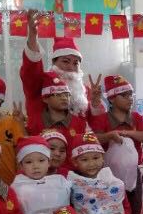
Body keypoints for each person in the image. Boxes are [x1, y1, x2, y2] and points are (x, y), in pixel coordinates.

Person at [88, 74, 143, 214]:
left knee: (136, 206)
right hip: (108, 172)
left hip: (134, 171)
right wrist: (109, 135)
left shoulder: (136, 117)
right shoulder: (103, 118)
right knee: (112, 206)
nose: (130, 98)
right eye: (124, 95)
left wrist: (127, 133)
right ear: (111, 99)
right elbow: (94, 139)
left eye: (131, 94)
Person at [21, 9, 91, 138]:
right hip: (42, 146)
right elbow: (30, 69)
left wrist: (97, 105)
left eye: (76, 63)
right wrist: (33, 37)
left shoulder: (84, 91)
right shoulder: (41, 83)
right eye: (65, 61)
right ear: (54, 63)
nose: (71, 67)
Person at [67, 132, 124, 214]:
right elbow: (67, 210)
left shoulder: (111, 181)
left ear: (103, 158)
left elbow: (124, 206)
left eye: (96, 158)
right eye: (84, 159)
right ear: (75, 162)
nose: (91, 164)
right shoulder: (71, 183)